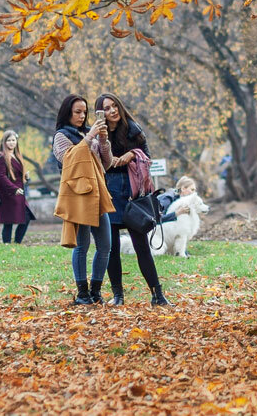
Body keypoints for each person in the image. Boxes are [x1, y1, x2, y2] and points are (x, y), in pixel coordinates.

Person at [97, 92, 172, 307]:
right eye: (107, 108)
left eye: (114, 106)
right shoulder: (98, 133)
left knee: (141, 246)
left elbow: (147, 157)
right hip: (108, 192)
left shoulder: (132, 128)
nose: (112, 111)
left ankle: (158, 295)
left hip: (132, 194)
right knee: (111, 249)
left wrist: (131, 154)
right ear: (101, 113)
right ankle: (118, 295)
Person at [52, 94, 113, 305]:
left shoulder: (90, 133)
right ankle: (82, 294)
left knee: (105, 245)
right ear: (67, 112)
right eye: (77, 112)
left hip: (98, 192)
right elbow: (68, 159)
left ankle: (96, 291)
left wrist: (103, 140)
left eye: (84, 112)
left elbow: (106, 163)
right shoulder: (61, 135)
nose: (81, 116)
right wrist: (90, 138)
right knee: (82, 245)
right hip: (78, 195)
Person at [0, 129, 35, 244]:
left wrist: (25, 177)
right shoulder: (1, 157)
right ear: (4, 142)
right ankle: (7, 245)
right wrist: (13, 189)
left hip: (19, 193)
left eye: (13, 140)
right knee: (8, 222)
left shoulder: (17, 155)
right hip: (8, 193)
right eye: (9, 140)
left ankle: (17, 243)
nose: (11, 143)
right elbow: (1, 176)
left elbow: (17, 174)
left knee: (26, 218)